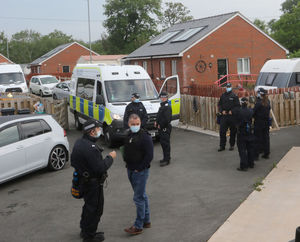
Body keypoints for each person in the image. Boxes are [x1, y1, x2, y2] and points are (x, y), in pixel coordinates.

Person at [71, 119, 117, 242]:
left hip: (83, 181)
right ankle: (89, 236)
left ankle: (84, 230)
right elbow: (100, 168)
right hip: (92, 184)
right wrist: (110, 158)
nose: (99, 131)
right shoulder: (90, 148)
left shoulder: (79, 142)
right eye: (98, 129)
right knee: (95, 209)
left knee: (88, 207)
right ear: (92, 132)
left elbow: (73, 161)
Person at [123, 114, 153, 235]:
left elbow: (149, 156)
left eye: (137, 124)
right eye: (133, 124)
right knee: (142, 195)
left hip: (140, 172)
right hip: (130, 169)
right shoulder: (128, 135)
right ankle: (147, 220)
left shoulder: (145, 137)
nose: (135, 126)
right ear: (129, 124)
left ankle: (138, 225)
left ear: (140, 123)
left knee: (138, 198)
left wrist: (139, 169)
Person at [218, 82, 240, 151]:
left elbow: (237, 106)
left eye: (229, 87)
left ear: (231, 87)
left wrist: (232, 111)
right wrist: (222, 111)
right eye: (227, 87)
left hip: (232, 116)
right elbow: (219, 105)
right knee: (222, 131)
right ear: (226, 87)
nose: (228, 88)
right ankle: (222, 146)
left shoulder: (234, 96)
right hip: (224, 116)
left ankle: (232, 145)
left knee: (233, 131)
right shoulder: (223, 95)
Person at [236, 97, 255, 171]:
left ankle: (244, 165)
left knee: (242, 149)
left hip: (241, 131)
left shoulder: (239, 111)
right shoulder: (250, 111)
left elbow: (236, 121)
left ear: (241, 103)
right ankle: (251, 163)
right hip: (249, 131)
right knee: (250, 148)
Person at [155, 91, 172, 167]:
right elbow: (160, 116)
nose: (161, 98)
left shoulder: (167, 106)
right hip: (161, 128)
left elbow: (167, 119)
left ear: (165, 97)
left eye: (162, 97)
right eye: (161, 97)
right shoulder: (162, 106)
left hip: (165, 128)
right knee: (163, 144)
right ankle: (165, 157)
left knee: (165, 144)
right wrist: (156, 121)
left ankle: (167, 160)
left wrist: (160, 125)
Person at [253, 88, 271, 159]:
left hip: (258, 123)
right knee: (266, 138)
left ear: (260, 94)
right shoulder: (268, 102)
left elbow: (254, 112)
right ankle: (266, 153)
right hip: (266, 122)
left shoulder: (258, 103)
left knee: (257, 138)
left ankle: (256, 155)